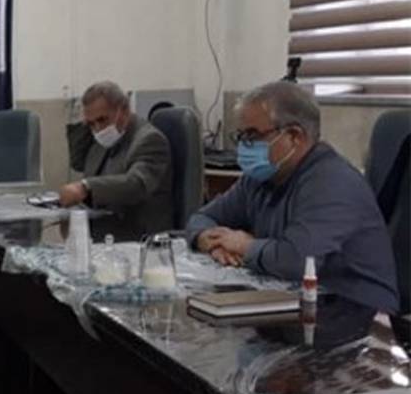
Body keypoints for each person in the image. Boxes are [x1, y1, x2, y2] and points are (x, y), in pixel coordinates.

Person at [186, 81, 399, 312]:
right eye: (241, 136)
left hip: (356, 314)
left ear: (294, 136)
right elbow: (202, 218)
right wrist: (211, 242)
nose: (243, 147)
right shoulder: (259, 177)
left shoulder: (332, 182)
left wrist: (243, 245)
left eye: (252, 136)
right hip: (290, 301)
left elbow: (296, 260)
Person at [60, 80, 173, 240]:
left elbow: (136, 185)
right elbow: (77, 162)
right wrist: (82, 122)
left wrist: (85, 187)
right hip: (103, 228)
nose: (98, 129)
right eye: (91, 123)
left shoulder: (150, 140)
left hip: (136, 235)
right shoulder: (104, 138)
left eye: (102, 120)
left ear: (124, 110)